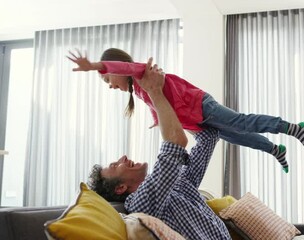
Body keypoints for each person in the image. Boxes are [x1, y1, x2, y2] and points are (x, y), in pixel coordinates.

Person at [68, 48, 304, 173]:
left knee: (241, 122)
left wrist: (95, 66)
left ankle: (293, 128)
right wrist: (156, 119)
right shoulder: (143, 90)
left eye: (108, 80)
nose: (110, 86)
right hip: (196, 122)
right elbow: (157, 105)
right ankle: (274, 149)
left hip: (200, 105)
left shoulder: (141, 71)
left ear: (117, 70)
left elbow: (120, 65)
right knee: (237, 137)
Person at [88, 59, 231, 239]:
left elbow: (208, 136)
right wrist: (154, 91)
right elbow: (176, 142)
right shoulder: (141, 203)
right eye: (116, 165)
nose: (123, 157)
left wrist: (178, 102)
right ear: (120, 188)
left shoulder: (177, 183)